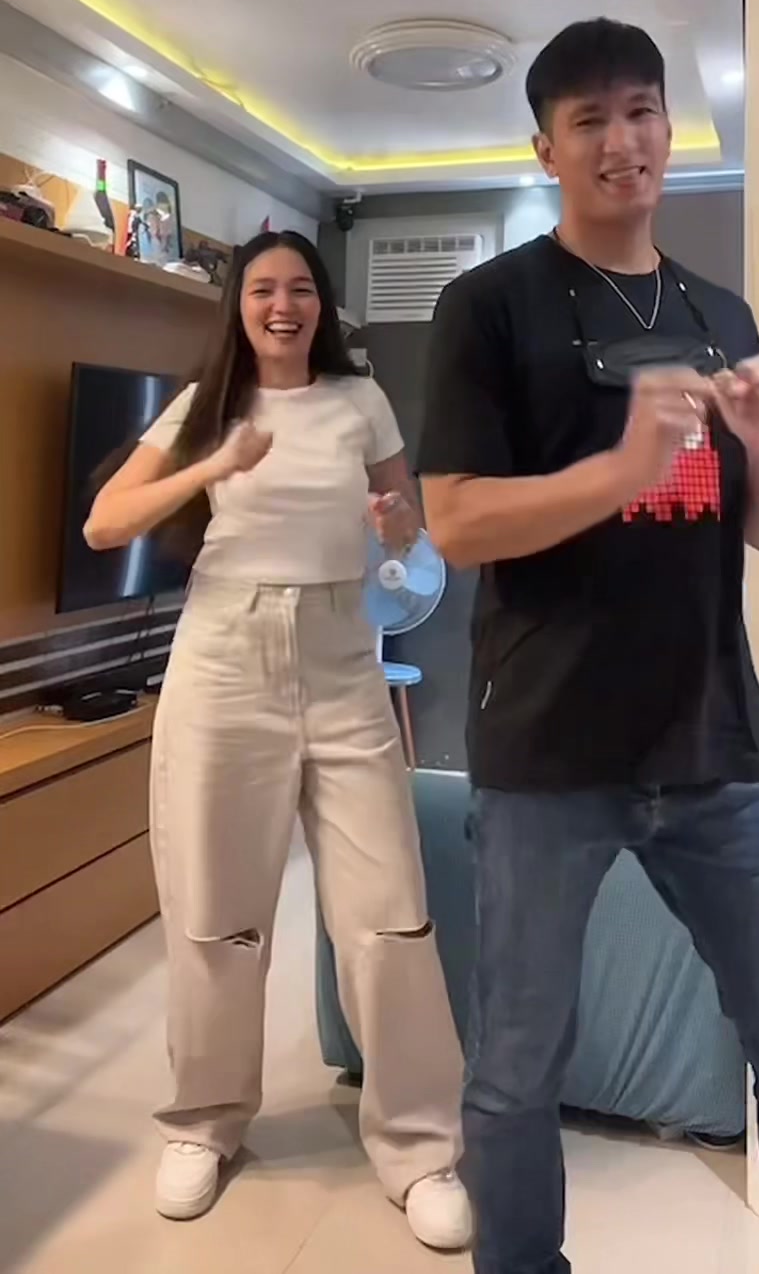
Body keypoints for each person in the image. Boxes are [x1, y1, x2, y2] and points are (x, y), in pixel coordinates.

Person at [417, 19, 759, 1274]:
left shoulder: (720, 311)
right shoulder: (487, 306)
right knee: (517, 1066)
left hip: (720, 738)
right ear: (547, 149)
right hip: (547, 748)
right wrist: (622, 467)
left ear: (672, 127)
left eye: (641, 112)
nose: (622, 141)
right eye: (590, 121)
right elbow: (455, 520)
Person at [85, 229, 471, 1251]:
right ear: (240, 305)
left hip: (344, 653)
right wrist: (216, 463)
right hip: (226, 656)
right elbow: (106, 523)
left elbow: (407, 528)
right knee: (216, 907)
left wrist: (394, 527)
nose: (283, 305)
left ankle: (419, 1146)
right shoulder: (204, 406)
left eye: (301, 288)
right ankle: (205, 1123)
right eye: (263, 288)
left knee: (389, 911)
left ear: (322, 306)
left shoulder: (361, 400)